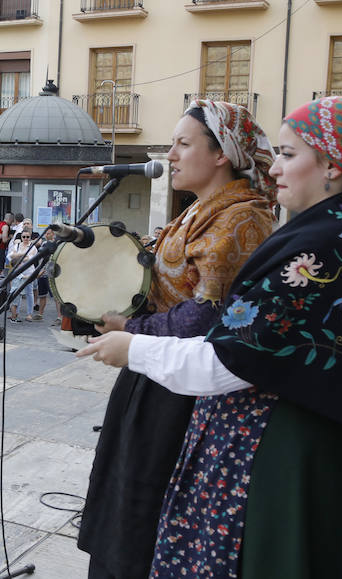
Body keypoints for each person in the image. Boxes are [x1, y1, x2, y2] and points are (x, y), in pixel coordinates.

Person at [78, 96, 342, 576]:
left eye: (289, 155)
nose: (275, 167)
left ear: (332, 165)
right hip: (302, 434)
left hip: (288, 450)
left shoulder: (321, 246)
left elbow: (230, 355)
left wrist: (133, 343)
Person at [75, 100, 277, 578]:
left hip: (184, 390)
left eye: (183, 144)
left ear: (222, 154)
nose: (171, 154)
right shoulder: (200, 212)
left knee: (148, 497)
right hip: (153, 371)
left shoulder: (241, 220)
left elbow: (207, 316)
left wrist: (133, 332)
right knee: (124, 490)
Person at [6, 230, 38, 322]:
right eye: (23, 237)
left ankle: (29, 314)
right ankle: (16, 313)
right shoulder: (18, 245)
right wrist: (24, 255)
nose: (25, 239)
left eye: (27, 237)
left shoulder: (33, 247)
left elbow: (31, 258)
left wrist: (18, 256)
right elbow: (10, 256)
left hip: (28, 272)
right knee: (17, 293)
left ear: (30, 237)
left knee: (29, 292)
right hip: (18, 272)